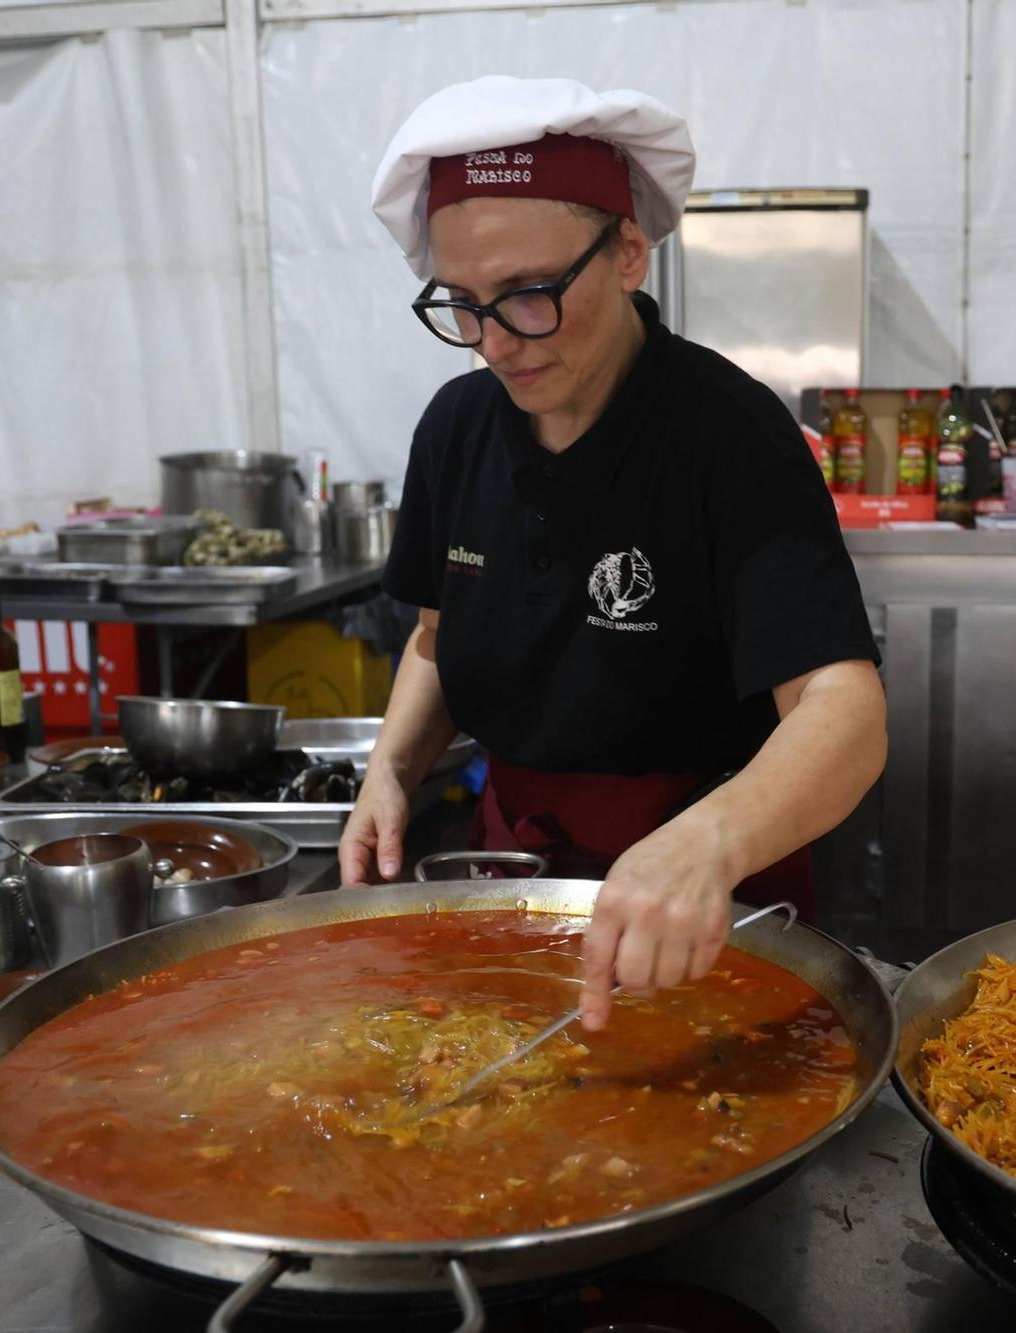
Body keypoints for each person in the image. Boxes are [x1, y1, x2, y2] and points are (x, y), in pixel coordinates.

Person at [344, 77, 886, 1031]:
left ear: (630, 251)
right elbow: (435, 638)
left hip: (708, 898)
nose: (496, 345)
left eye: (530, 295)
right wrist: (389, 767)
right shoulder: (457, 428)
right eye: (463, 305)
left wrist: (709, 843)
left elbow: (843, 710)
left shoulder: (730, 432)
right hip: (511, 873)